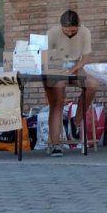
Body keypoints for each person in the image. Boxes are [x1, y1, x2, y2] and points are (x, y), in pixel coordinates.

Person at [43, 10, 97, 157]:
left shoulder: (85, 32)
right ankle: (55, 144)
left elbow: (85, 58)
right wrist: (56, 71)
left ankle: (76, 122)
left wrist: (73, 69)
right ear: (61, 27)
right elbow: (43, 55)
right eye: (66, 31)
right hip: (56, 67)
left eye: (73, 31)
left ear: (78, 26)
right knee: (58, 100)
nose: (69, 34)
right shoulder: (52, 33)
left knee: (92, 84)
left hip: (75, 66)